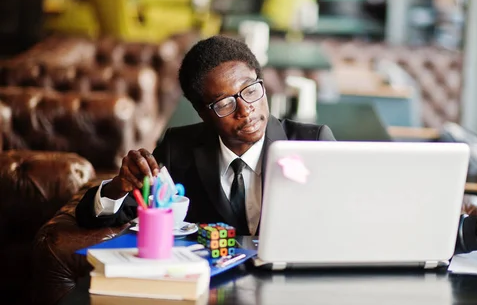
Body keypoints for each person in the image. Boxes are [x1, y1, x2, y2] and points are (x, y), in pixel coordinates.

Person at [75, 35, 335, 235]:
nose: (246, 110)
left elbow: (343, 219)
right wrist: (118, 187)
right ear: (203, 113)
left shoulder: (312, 142)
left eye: (251, 90)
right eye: (224, 103)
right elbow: (91, 217)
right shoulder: (178, 149)